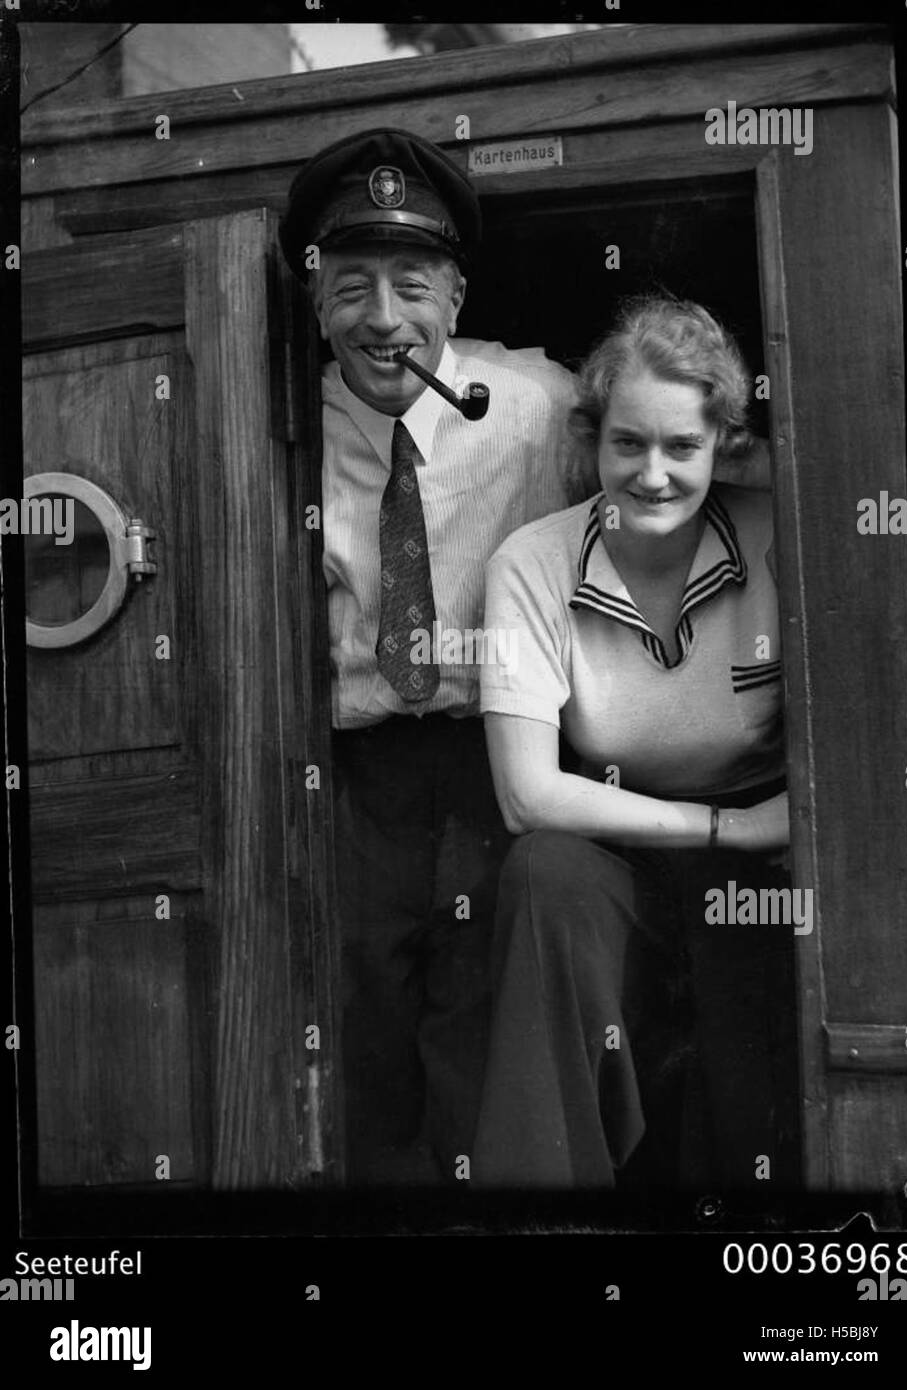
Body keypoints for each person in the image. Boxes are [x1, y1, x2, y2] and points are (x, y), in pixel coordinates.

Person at [278, 129, 577, 1183]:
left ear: (454, 299)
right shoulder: (279, 424)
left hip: (498, 755)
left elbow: (674, 466)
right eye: (350, 285)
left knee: (483, 1003)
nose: (383, 319)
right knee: (357, 1002)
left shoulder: (542, 409)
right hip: (356, 772)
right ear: (316, 304)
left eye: (412, 284)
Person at [472, 295, 800, 1190]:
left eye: (683, 447)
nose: (652, 474)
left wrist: (744, 839)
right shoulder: (533, 564)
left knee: (757, 963)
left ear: (725, 448)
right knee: (544, 873)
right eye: (628, 443)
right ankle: (549, 1205)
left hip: (761, 851)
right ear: (593, 442)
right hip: (628, 836)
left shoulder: (780, 535)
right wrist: (717, 827)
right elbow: (527, 796)